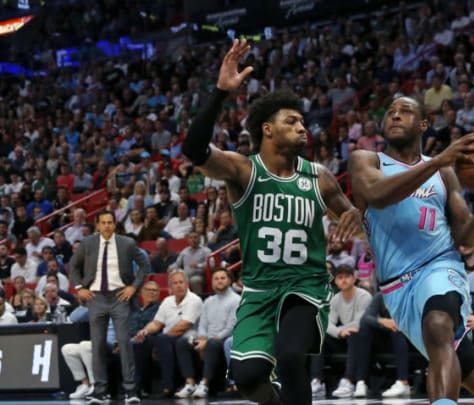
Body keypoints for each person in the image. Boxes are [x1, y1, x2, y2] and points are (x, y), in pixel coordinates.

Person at [181, 39, 361, 405]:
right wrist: (219, 93)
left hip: (305, 285)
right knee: (247, 378)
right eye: (291, 121)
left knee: (292, 356)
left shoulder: (320, 177)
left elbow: (357, 227)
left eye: (302, 121)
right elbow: (194, 150)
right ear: (266, 129)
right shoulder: (244, 170)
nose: (302, 127)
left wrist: (361, 214)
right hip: (259, 291)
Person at [348, 96, 474, 405]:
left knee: (439, 323)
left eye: (406, 111)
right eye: (391, 113)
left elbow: (468, 236)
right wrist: (439, 160)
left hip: (440, 267)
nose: (395, 116)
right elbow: (377, 195)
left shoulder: (444, 174)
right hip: (397, 288)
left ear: (424, 124)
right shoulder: (365, 160)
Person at [69, 210, 149, 404]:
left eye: (110, 222)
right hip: (95, 297)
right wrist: (79, 288)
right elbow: (73, 266)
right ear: (97, 225)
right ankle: (100, 391)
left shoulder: (127, 243)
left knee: (124, 342)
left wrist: (133, 287)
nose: (106, 226)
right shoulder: (87, 243)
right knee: (97, 345)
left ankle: (130, 390)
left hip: (119, 296)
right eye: (103, 222)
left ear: (115, 224)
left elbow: (144, 265)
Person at [132, 270, 203, 397]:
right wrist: (145, 331)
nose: (178, 285)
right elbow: (156, 323)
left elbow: (183, 326)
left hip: (190, 338)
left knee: (162, 339)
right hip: (166, 339)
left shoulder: (194, 300)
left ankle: (168, 386)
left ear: (187, 285)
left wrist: (160, 341)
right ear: (170, 287)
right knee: (143, 341)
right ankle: (139, 387)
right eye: (175, 283)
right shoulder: (167, 301)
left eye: (181, 282)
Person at [174, 268, 240, 398]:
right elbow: (202, 324)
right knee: (183, 342)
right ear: (212, 282)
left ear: (229, 280)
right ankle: (190, 383)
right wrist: (202, 338)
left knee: (213, 343)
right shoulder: (208, 301)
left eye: (222, 278)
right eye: (216, 278)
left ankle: (204, 384)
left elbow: (231, 328)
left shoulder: (236, 300)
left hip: (222, 340)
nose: (219, 281)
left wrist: (208, 341)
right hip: (206, 339)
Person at [310, 265, 372, 398]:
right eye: (340, 277)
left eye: (347, 277)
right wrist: (339, 332)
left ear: (354, 279)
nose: (343, 280)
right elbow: (327, 323)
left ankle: (348, 381)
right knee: (318, 335)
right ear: (336, 281)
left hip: (363, 338)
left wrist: (343, 330)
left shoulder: (364, 296)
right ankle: (317, 381)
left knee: (355, 333)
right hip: (343, 337)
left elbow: (360, 321)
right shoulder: (335, 298)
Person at [359, 292, 412, 398]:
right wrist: (382, 321)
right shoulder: (381, 296)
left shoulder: (410, 294)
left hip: (411, 337)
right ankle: (361, 382)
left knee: (397, 329)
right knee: (364, 328)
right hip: (389, 339)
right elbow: (365, 318)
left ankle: (403, 382)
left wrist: (398, 323)